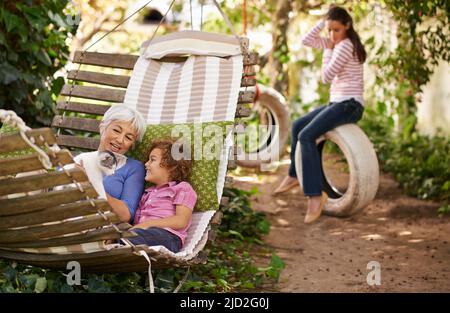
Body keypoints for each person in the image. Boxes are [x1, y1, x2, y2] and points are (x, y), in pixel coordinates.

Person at [273, 6, 367, 224]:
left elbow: (325, 77)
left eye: (337, 30)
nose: (332, 35)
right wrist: (323, 22)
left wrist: (327, 49)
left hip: (349, 104)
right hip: (338, 102)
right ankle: (294, 176)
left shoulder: (344, 46)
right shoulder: (336, 40)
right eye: (330, 30)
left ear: (347, 26)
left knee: (306, 136)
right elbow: (307, 40)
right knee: (298, 126)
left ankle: (315, 195)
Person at [76, 104, 146, 223]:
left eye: (128, 138)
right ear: (103, 127)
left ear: (132, 144)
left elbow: (126, 215)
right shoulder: (81, 160)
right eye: (116, 130)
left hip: (98, 229)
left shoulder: (134, 168)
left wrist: (91, 186)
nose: (120, 140)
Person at [128, 138, 197, 253]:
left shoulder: (182, 188)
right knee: (125, 233)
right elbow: (137, 222)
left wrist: (148, 224)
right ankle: (118, 240)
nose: (146, 164)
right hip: (143, 234)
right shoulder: (147, 193)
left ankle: (121, 241)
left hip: (168, 237)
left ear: (171, 165)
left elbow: (181, 221)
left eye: (152, 160)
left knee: (134, 236)